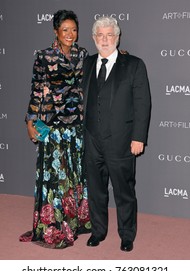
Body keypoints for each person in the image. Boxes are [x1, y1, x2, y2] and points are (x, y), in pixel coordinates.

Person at [19, 10, 91, 249]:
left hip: (77, 125)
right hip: (54, 125)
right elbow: (37, 90)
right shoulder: (44, 56)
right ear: (55, 31)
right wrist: (30, 122)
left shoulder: (83, 55)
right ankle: (55, 226)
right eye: (65, 30)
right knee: (56, 178)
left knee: (74, 175)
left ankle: (76, 221)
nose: (70, 34)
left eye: (74, 29)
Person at [82, 16, 151, 252]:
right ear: (93, 38)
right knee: (96, 191)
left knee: (124, 192)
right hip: (91, 140)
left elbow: (143, 104)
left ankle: (127, 235)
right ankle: (98, 231)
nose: (104, 40)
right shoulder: (87, 63)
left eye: (109, 35)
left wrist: (138, 137)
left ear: (117, 37)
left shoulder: (134, 65)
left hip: (122, 141)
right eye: (100, 35)